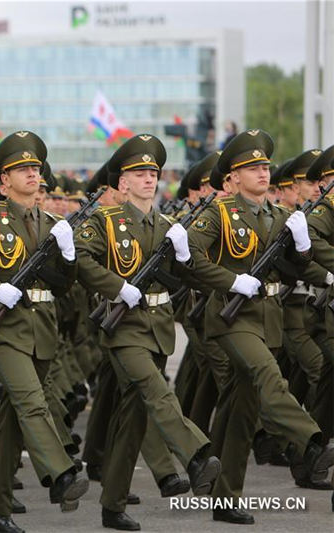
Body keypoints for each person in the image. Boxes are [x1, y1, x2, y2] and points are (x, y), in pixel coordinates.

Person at [187, 130, 334, 524]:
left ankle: (223, 497)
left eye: (265, 166)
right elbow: (190, 258)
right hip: (232, 317)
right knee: (269, 375)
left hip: (268, 317)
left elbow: (298, 265)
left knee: (241, 409)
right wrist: (229, 281)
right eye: (252, 167)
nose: (263, 172)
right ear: (232, 178)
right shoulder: (217, 213)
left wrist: (306, 249)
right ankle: (312, 441)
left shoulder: (282, 216)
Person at [76, 134, 220, 530]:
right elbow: (82, 262)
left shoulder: (168, 227)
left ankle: (113, 505)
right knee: (157, 391)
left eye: (153, 173)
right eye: (139, 173)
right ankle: (194, 453)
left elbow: (188, 276)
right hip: (123, 329)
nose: (148, 179)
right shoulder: (103, 222)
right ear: (122, 183)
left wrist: (187, 255)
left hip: (158, 329)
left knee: (133, 417)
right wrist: (116, 286)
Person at [0, 130, 90, 533]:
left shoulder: (52, 223)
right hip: (4, 327)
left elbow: (65, 284)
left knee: (14, 421)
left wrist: (67, 255)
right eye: (23, 169)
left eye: (35, 168)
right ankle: (62, 473)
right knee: (32, 402)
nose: (33, 174)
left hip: (41, 328)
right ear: (4, 180)